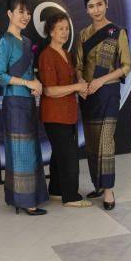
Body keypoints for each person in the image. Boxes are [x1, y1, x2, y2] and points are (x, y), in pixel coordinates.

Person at [75, 0, 131, 210]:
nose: (96, 9)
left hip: (108, 92)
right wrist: (81, 83)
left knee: (106, 141)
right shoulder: (83, 35)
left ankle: (108, 190)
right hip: (88, 95)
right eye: (91, 6)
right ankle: (97, 183)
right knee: (92, 141)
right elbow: (78, 66)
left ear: (106, 4)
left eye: (99, 4)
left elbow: (126, 66)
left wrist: (102, 80)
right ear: (87, 10)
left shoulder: (118, 32)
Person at [0, 0, 48, 215]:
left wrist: (35, 84)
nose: (26, 16)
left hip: (27, 101)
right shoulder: (5, 42)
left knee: (31, 148)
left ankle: (31, 195)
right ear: (9, 14)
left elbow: (26, 72)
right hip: (14, 102)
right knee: (20, 150)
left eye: (28, 12)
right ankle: (25, 201)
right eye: (21, 11)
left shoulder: (27, 42)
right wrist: (28, 82)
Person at [38, 11, 92, 208]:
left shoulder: (67, 54)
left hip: (68, 114)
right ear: (51, 32)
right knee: (68, 156)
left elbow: (68, 85)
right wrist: (77, 87)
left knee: (59, 154)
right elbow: (50, 90)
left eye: (67, 28)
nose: (65, 32)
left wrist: (80, 87)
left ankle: (56, 190)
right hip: (54, 115)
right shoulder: (46, 56)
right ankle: (71, 197)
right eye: (60, 29)